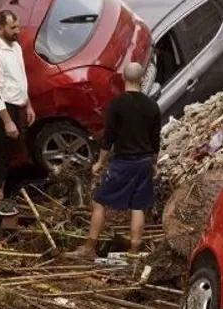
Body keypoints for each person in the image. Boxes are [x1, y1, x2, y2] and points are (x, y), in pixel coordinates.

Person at [68, 62, 162, 259]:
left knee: (100, 202)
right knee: (138, 207)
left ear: (124, 79)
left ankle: (89, 248)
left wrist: (100, 163)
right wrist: (153, 163)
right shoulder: (152, 106)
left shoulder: (117, 105)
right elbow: (155, 140)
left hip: (123, 163)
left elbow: (108, 138)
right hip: (144, 163)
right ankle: (134, 251)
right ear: (143, 78)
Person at [0, 10, 35, 217]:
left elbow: (20, 79)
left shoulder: (16, 47)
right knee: (0, 153)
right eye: (13, 28)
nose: (17, 31)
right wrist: (7, 122)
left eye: (18, 27)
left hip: (14, 106)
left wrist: (28, 104)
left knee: (11, 152)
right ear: (1, 28)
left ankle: (2, 196)